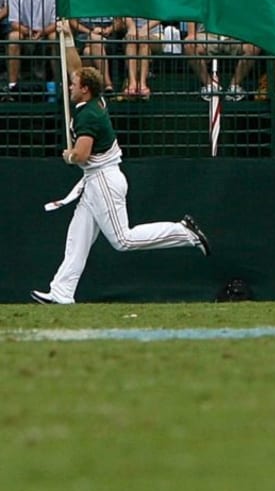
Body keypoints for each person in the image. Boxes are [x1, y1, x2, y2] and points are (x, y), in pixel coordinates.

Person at [31, 27, 210, 304]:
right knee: (77, 238)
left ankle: (183, 232)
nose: (69, 85)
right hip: (95, 180)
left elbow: (81, 155)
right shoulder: (93, 100)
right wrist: (66, 37)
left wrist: (68, 156)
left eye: (73, 84)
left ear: (85, 90)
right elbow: (75, 67)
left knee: (122, 240)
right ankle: (62, 291)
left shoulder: (87, 116)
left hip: (103, 179)